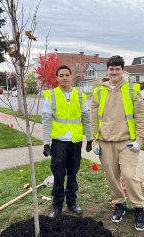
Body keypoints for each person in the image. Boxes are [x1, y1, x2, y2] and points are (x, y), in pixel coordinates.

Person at [91, 55, 144, 231]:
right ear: (107, 71)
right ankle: (119, 204)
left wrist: (139, 140)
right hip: (106, 142)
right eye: (111, 69)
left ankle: (138, 207)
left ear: (123, 70)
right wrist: (95, 140)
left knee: (129, 176)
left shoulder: (132, 90)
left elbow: (140, 118)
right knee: (112, 177)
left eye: (117, 69)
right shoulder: (98, 91)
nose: (114, 72)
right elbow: (94, 119)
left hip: (127, 143)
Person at [42, 65, 92, 218]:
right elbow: (46, 120)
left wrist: (89, 138)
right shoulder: (51, 95)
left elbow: (86, 117)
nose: (64, 77)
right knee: (58, 174)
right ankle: (56, 205)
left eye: (66, 75)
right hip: (59, 142)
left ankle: (72, 203)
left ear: (71, 77)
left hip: (75, 141)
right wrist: (46, 143)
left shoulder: (80, 95)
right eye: (61, 75)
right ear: (57, 78)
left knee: (72, 173)